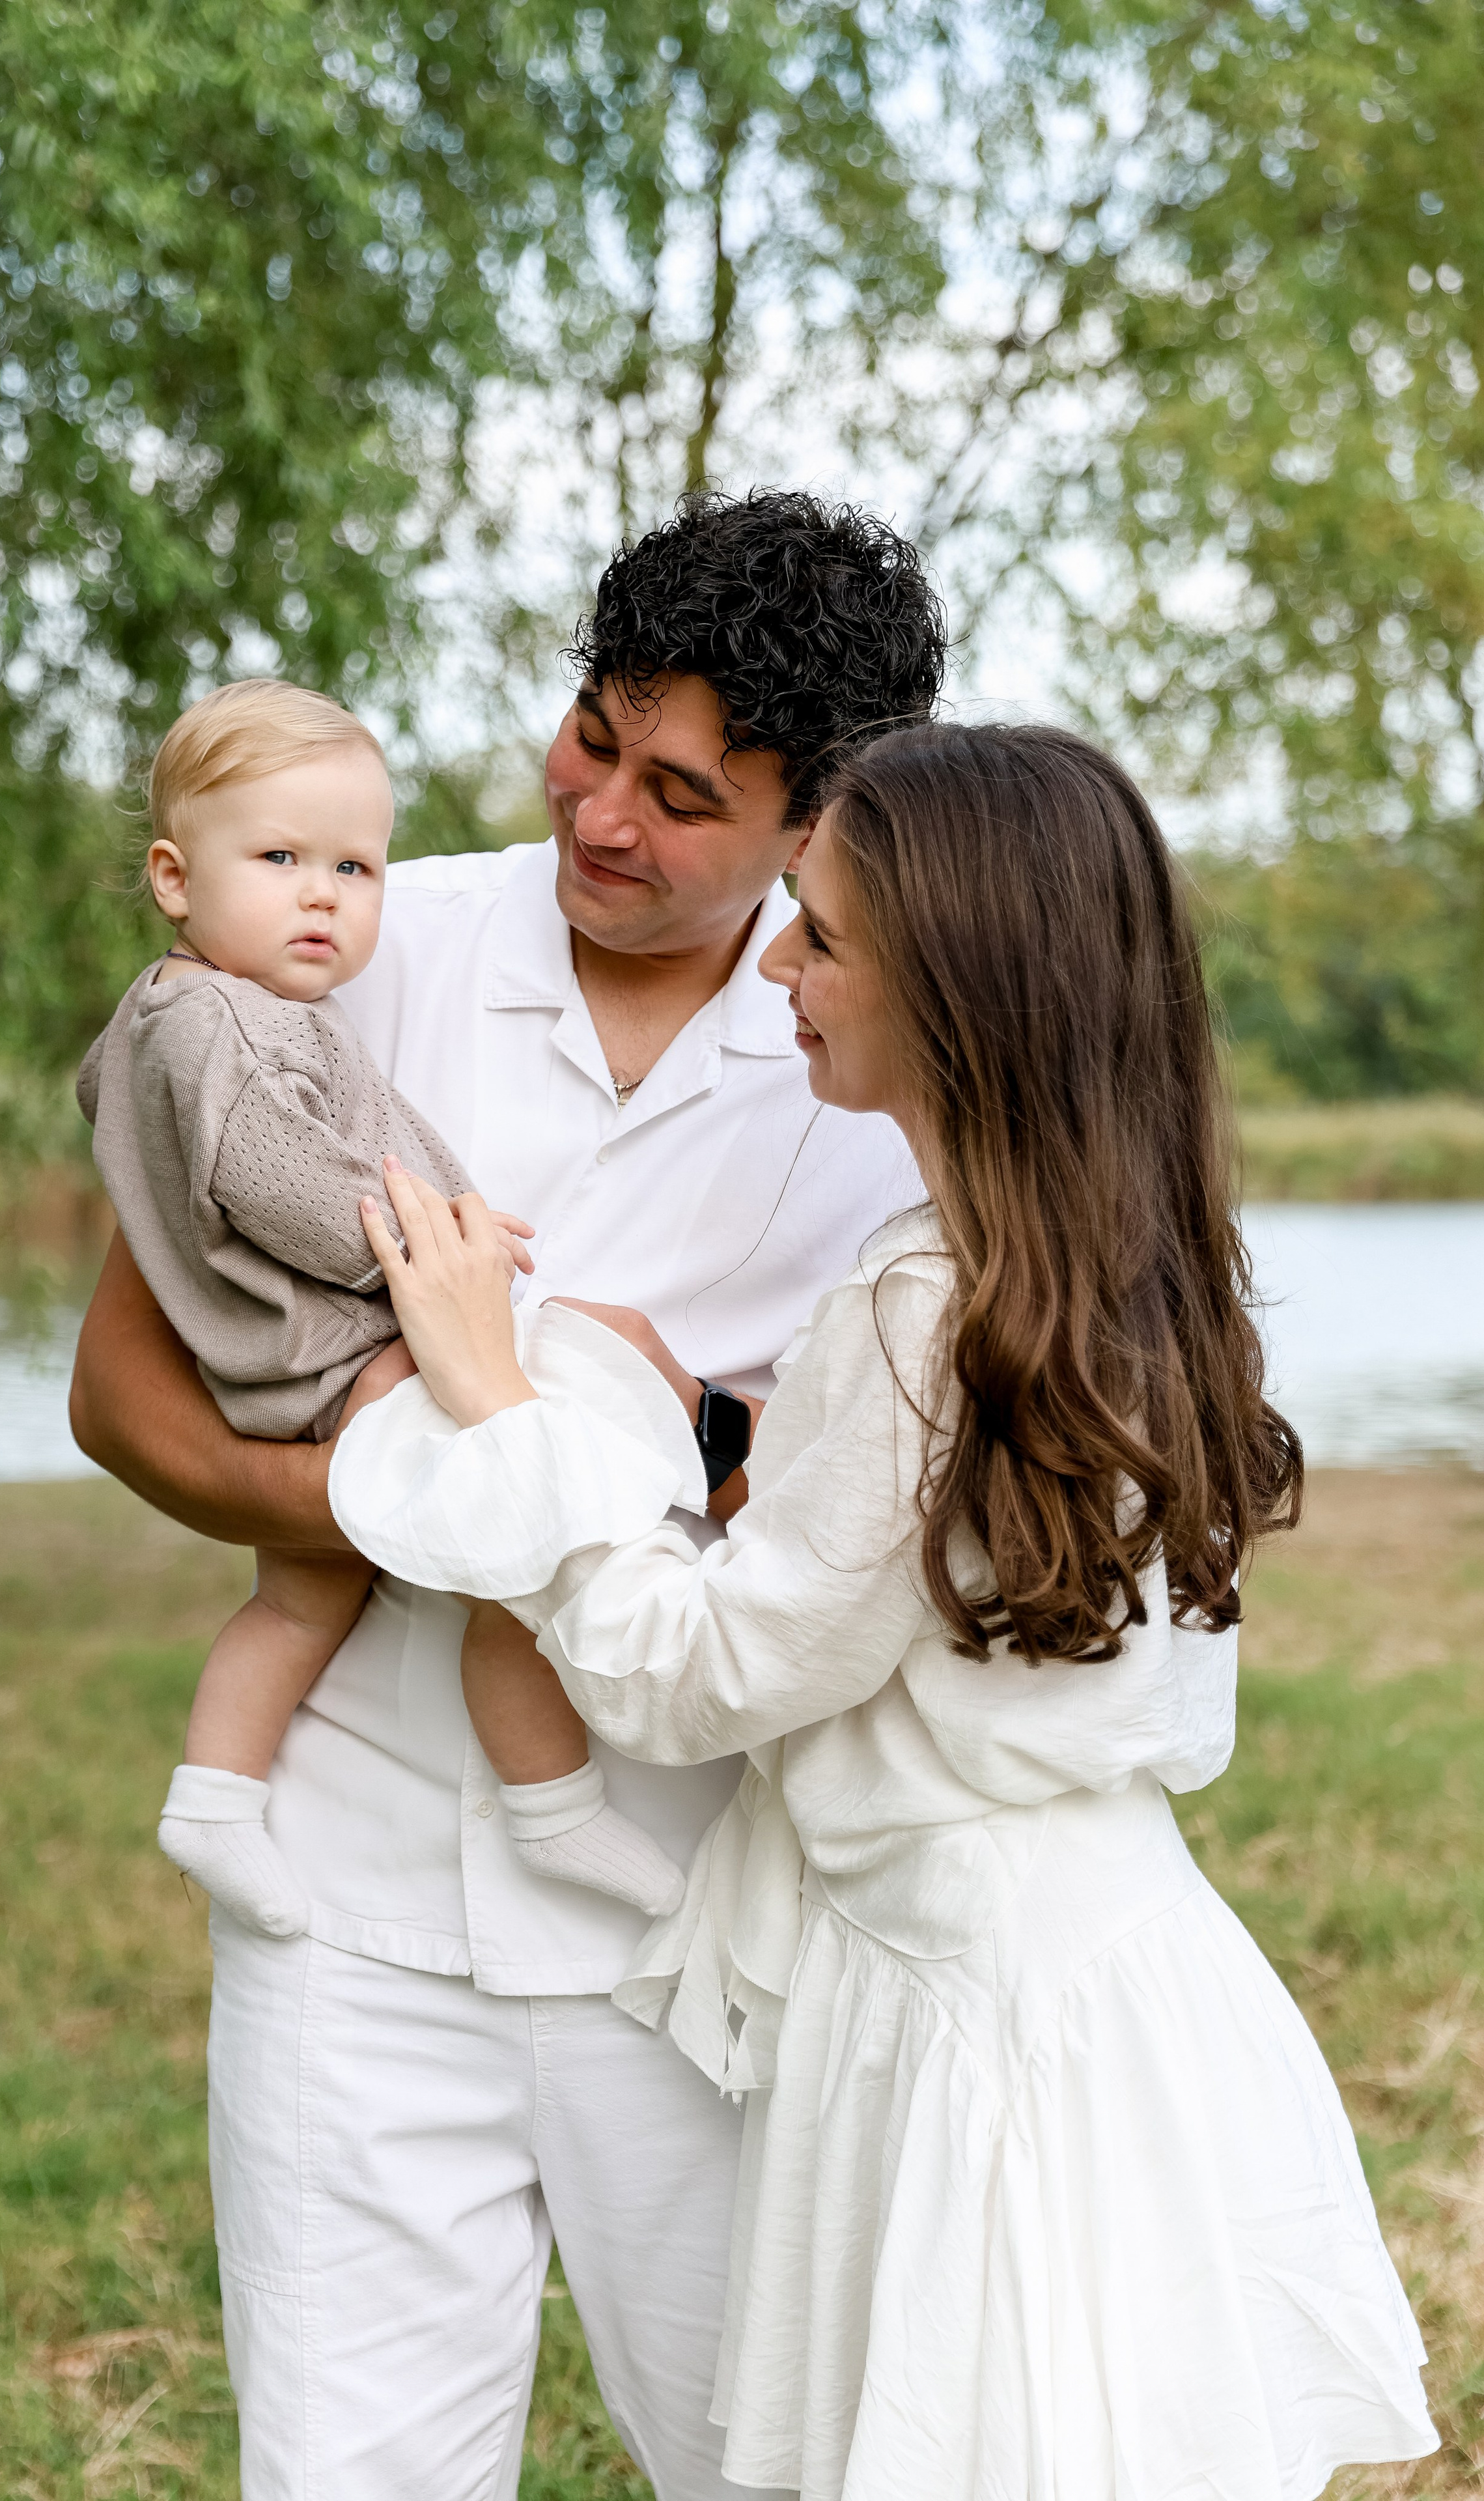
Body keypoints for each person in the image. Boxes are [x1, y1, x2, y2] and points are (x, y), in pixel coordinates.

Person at [332, 720, 1439, 2501]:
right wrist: (703, 1426)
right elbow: (907, 1549)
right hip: (1120, 1971)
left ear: (961, 990)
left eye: (823, 935)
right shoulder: (1127, 1265)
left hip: (976, 2034)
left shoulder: (930, 1306)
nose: (779, 965)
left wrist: (508, 1416)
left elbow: (693, 1679)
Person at [68, 489, 939, 2499]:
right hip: (351, 1910)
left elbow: (866, 1503)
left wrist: (634, 1443)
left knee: (768, 2467)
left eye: (685, 792)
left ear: (814, 828)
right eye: (593, 733)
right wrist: (423, 1513)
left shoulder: (877, 1061)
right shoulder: (350, 934)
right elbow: (125, 1390)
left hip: (696, 1919)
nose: (605, 813)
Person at [79, 677, 687, 1936]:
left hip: (303, 1354)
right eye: (283, 857)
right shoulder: (221, 1031)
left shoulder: (226, 1010)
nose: (325, 894)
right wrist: (436, 1243)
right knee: (524, 1538)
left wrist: (444, 1204)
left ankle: (214, 1792)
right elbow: (290, 1180)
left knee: (304, 1593)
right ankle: (552, 1799)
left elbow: (365, 1132)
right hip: (337, 1352)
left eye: (357, 867)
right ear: (174, 878)